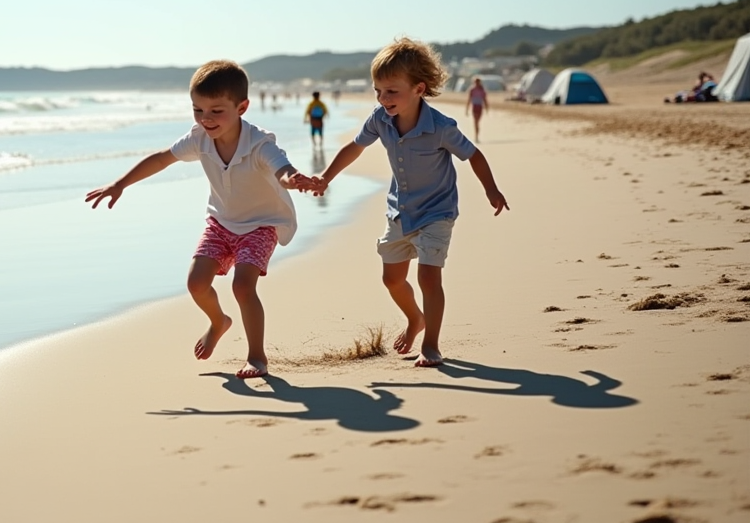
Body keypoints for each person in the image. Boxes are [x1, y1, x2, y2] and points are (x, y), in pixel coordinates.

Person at [86, 60, 315, 379]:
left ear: (242, 107)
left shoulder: (259, 144)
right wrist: (120, 184)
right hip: (220, 223)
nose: (206, 119)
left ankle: (257, 357)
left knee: (243, 287)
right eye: (198, 110)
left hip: (261, 225)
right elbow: (162, 159)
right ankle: (218, 321)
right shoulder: (198, 138)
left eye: (216, 111)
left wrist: (294, 180)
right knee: (196, 283)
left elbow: (283, 169)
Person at [311, 38, 508, 368]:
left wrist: (491, 189)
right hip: (399, 210)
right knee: (392, 279)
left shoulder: (441, 128)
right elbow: (355, 148)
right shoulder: (380, 119)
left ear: (419, 88)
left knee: (429, 279)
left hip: (436, 212)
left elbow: (473, 155)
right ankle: (415, 319)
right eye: (378, 91)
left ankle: (431, 344)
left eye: (391, 91)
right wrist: (326, 177)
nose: (383, 98)